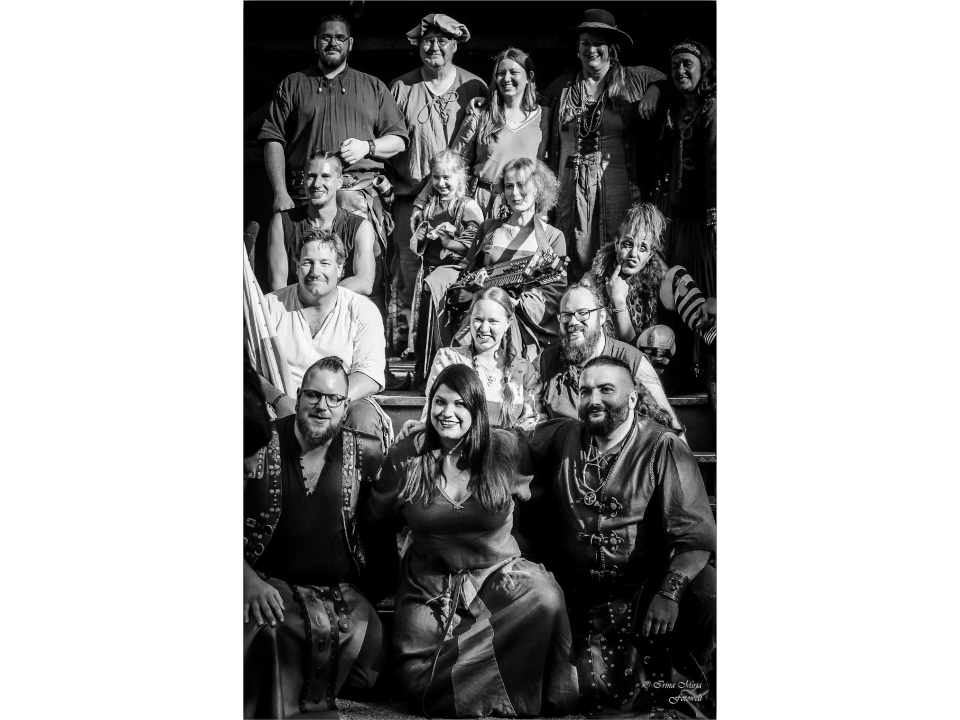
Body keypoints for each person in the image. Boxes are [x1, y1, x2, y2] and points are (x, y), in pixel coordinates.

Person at [362, 364, 579, 718]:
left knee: (546, 596)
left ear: (477, 409)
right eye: (440, 402)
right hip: (431, 586)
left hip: (499, 579)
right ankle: (492, 686)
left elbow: (545, 478)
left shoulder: (506, 449)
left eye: (460, 404)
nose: (447, 412)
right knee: (420, 684)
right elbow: (375, 519)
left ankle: (502, 691)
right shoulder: (407, 457)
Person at [520, 356, 717, 717]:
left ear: (632, 397)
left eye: (606, 389)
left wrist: (669, 594)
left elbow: (695, 535)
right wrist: (429, 435)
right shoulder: (564, 434)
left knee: (709, 591)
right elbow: (509, 442)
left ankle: (691, 687)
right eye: (585, 391)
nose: (594, 399)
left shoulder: (663, 446)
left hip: (643, 591)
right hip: (576, 592)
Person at [244, 357, 396, 719]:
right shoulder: (257, 442)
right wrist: (246, 578)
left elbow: (379, 532)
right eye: (313, 395)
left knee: (375, 674)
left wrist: (369, 592)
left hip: (339, 594)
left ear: (346, 405)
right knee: (269, 636)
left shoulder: (366, 452)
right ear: (298, 396)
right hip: (268, 586)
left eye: (334, 399)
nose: (322, 406)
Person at [258, 13, 408, 318]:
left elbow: (400, 140)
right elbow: (273, 138)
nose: (333, 42)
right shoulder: (294, 84)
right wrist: (280, 192)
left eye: (340, 37)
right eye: (326, 37)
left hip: (358, 199)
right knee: (302, 275)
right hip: (305, 197)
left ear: (350, 44)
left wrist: (368, 146)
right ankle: (295, 336)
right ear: (315, 42)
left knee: (367, 284)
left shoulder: (373, 86)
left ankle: (363, 344)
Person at [541, 8, 666, 284]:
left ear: (612, 48)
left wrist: (655, 90)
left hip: (618, 183)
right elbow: (525, 103)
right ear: (577, 49)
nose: (591, 49)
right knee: (571, 251)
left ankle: (616, 302)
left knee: (620, 245)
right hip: (571, 186)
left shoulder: (633, 79)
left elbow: (666, 78)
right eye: (585, 43)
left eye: (598, 43)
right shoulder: (562, 87)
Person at [388, 13, 487, 335]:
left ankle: (450, 344)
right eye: (427, 41)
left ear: (455, 45)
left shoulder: (474, 86)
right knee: (409, 276)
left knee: (460, 276)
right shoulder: (402, 87)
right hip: (412, 202)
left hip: (460, 206)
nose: (434, 47)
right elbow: (388, 139)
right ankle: (410, 349)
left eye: (442, 41)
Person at [256, 228, 391, 442]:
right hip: (282, 402)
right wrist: (279, 400)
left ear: (340, 268)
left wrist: (325, 403)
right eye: (307, 262)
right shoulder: (268, 306)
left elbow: (369, 375)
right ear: (297, 266)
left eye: (325, 263)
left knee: (364, 417)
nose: (315, 271)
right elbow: (248, 368)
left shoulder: (362, 310)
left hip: (341, 400)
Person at [414, 46, 549, 223]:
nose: (506, 78)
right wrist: (421, 202)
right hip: (484, 203)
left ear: (529, 77)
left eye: (514, 72)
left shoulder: (545, 117)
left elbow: (547, 169)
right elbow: (453, 163)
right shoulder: (480, 115)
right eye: (501, 73)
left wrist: (544, 210)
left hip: (525, 204)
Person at [450, 157, 566, 361]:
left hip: (525, 321)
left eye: (521, 185)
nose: (515, 193)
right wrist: (473, 286)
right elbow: (467, 273)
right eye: (509, 186)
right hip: (484, 314)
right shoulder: (489, 229)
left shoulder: (552, 237)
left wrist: (518, 303)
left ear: (538, 187)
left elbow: (555, 290)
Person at [536, 281, 685, 438]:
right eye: (566, 315)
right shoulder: (544, 364)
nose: (573, 322)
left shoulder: (632, 361)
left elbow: (672, 433)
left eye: (583, 313)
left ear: (601, 317)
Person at [590, 201, 716, 385]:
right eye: (627, 244)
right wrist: (618, 301)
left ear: (650, 255)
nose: (633, 253)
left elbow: (693, 303)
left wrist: (709, 304)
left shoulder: (663, 279)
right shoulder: (594, 281)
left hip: (666, 374)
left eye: (642, 248)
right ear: (616, 243)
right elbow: (628, 353)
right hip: (620, 374)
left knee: (677, 277)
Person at [266, 151, 383, 315]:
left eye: (326, 176)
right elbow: (278, 286)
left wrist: (321, 298)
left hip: (341, 313)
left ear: (339, 182)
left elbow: (364, 282)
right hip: (294, 312)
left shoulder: (360, 227)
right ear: (303, 181)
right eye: (311, 176)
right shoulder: (282, 223)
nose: (317, 183)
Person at [406, 150, 484, 381]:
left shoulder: (466, 206)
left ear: (460, 177)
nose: (441, 183)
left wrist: (449, 242)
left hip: (453, 275)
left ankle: (445, 372)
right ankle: (423, 373)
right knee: (423, 326)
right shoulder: (430, 205)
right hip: (428, 274)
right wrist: (422, 236)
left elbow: (474, 244)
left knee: (441, 325)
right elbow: (418, 244)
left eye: (447, 177)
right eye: (436, 177)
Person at [657, 40, 717, 300]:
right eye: (674, 66)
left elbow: (715, 163)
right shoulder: (672, 109)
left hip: (705, 216)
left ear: (703, 68)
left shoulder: (712, 108)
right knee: (678, 281)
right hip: (676, 213)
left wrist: (714, 214)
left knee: (705, 281)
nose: (680, 70)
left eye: (687, 64)